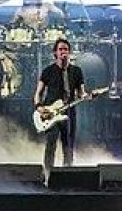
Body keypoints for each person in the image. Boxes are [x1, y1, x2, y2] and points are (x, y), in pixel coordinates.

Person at [33, 38, 87, 179]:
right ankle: (47, 176)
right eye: (61, 49)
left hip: (69, 112)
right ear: (55, 53)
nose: (64, 52)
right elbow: (38, 94)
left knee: (68, 146)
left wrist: (87, 95)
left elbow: (81, 93)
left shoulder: (76, 71)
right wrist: (39, 107)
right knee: (51, 145)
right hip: (51, 113)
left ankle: (67, 177)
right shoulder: (48, 71)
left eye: (66, 49)